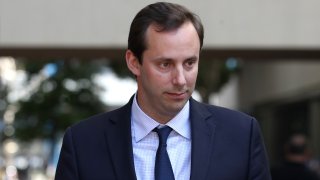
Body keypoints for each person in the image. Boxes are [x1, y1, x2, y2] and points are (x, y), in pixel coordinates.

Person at [55, 2, 271, 180]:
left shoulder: (241, 135)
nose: (180, 80)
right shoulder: (83, 143)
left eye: (189, 63)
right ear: (133, 62)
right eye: (165, 64)